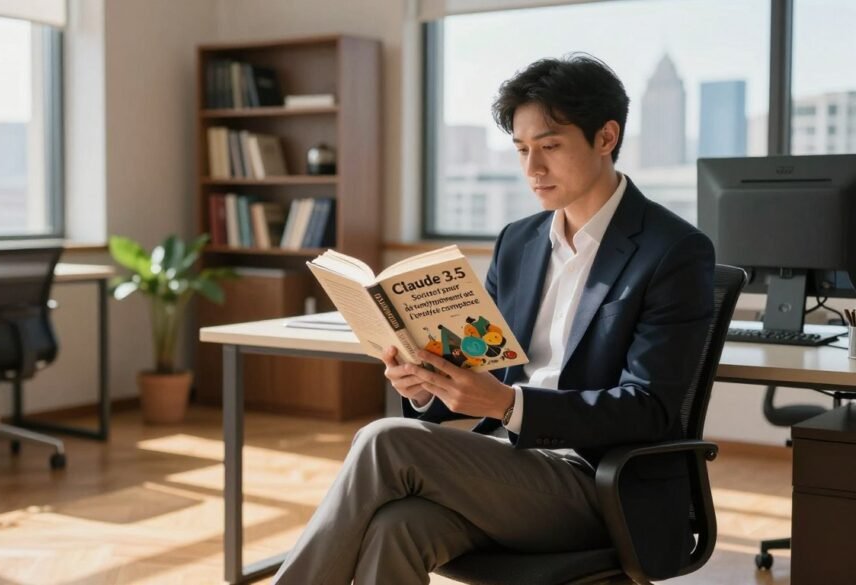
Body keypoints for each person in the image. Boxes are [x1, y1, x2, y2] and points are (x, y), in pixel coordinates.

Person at [272, 53, 714, 585]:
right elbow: (487, 363)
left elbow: (649, 407)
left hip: (600, 485)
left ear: (605, 137)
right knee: (397, 526)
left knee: (383, 441)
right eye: (523, 150)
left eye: (550, 146)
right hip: (506, 466)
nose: (533, 169)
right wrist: (423, 384)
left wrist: (509, 404)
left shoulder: (672, 250)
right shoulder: (519, 242)